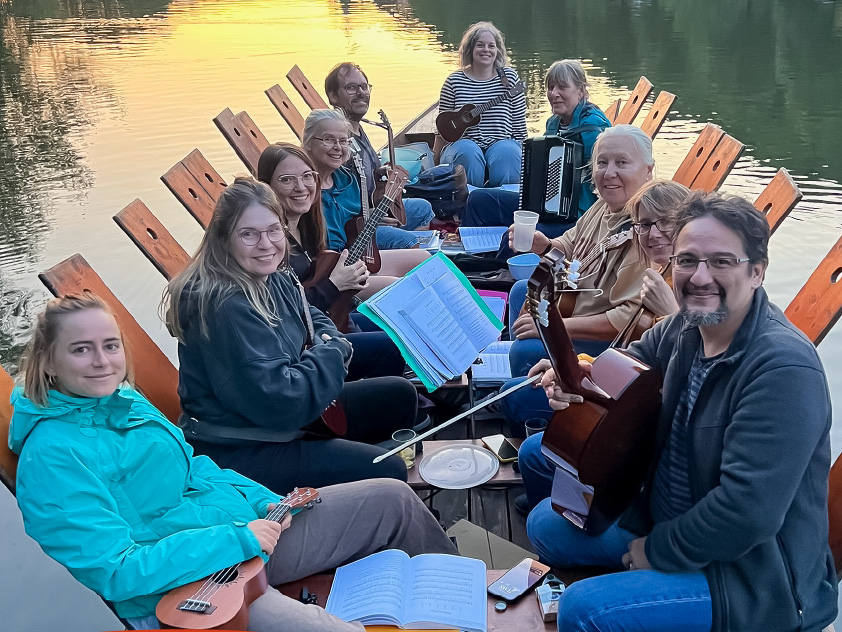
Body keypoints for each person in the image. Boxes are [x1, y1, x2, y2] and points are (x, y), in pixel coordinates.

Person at [9, 292, 457, 632]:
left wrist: (266, 503)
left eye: (110, 345)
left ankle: (461, 604)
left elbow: (196, 470)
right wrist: (235, 539)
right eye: (81, 350)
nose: (102, 361)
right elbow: (118, 571)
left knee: (391, 498)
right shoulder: (51, 458)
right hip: (195, 592)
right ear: (49, 362)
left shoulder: (126, 402)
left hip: (245, 538)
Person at [520, 192, 837, 632]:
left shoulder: (783, 370)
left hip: (746, 574)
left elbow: (746, 513)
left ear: (757, 271)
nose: (699, 277)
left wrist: (656, 551)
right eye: (688, 260)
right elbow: (623, 366)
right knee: (543, 525)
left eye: (721, 261)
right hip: (662, 512)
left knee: (584, 609)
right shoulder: (686, 327)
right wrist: (575, 380)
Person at [163, 177, 415, 492]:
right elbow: (285, 400)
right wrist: (332, 352)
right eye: (248, 234)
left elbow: (314, 319)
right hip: (245, 447)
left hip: (285, 419)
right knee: (389, 470)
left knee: (400, 396)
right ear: (223, 238)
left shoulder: (271, 275)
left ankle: (351, 478)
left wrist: (324, 347)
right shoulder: (224, 306)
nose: (266, 244)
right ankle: (355, 499)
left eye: (273, 230)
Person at [500, 179, 691, 441]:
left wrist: (671, 314)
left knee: (515, 402)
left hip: (645, 416)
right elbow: (635, 358)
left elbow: (686, 376)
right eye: (645, 225)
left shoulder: (691, 289)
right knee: (515, 388)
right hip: (626, 386)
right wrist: (578, 366)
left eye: (666, 222)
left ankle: (549, 448)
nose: (653, 234)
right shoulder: (661, 270)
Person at [505, 124, 655, 377]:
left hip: (608, 344)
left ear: (648, 170)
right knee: (521, 290)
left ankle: (527, 398)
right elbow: (570, 244)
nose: (609, 173)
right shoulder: (604, 206)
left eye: (622, 163)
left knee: (524, 351)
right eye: (602, 162)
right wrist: (545, 246)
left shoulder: (644, 230)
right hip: (576, 303)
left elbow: (631, 319)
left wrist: (555, 326)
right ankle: (517, 378)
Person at [462, 59, 611, 252]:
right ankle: (473, 254)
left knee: (518, 235)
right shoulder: (553, 124)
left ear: (580, 91)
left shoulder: (594, 129)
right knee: (478, 200)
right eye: (550, 87)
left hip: (579, 219)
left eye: (562, 87)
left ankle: (496, 276)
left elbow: (606, 181)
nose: (554, 94)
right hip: (543, 209)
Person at [302, 109, 429, 278]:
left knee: (424, 258)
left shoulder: (347, 179)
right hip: (329, 270)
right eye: (328, 140)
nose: (338, 147)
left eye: (343, 141)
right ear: (308, 142)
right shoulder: (303, 187)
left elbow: (355, 220)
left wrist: (371, 219)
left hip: (356, 255)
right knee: (393, 282)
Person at [324, 61, 434, 249]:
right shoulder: (338, 140)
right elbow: (335, 201)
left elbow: (371, 176)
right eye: (351, 88)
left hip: (375, 207)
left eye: (364, 87)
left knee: (424, 209)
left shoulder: (357, 126)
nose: (361, 93)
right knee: (408, 241)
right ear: (333, 96)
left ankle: (395, 255)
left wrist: (386, 176)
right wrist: (368, 218)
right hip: (353, 226)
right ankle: (394, 256)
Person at [435, 21, 526, 187]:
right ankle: (466, 205)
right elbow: (442, 127)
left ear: (498, 51)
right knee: (468, 152)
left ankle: (502, 204)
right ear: (470, 49)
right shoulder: (454, 82)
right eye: (480, 45)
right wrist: (434, 162)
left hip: (501, 142)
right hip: (462, 145)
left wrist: (526, 158)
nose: (486, 50)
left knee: (508, 153)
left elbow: (519, 126)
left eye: (492, 46)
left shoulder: (510, 79)